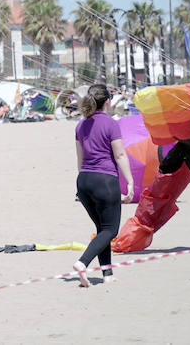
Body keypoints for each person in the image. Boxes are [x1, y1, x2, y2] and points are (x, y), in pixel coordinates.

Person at [72, 84, 134, 287]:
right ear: (107, 102)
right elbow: (120, 154)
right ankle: (82, 263)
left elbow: (80, 159)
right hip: (104, 181)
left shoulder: (81, 125)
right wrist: (130, 182)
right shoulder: (110, 123)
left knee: (102, 229)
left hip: (84, 181)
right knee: (110, 230)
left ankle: (107, 274)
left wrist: (81, 186)